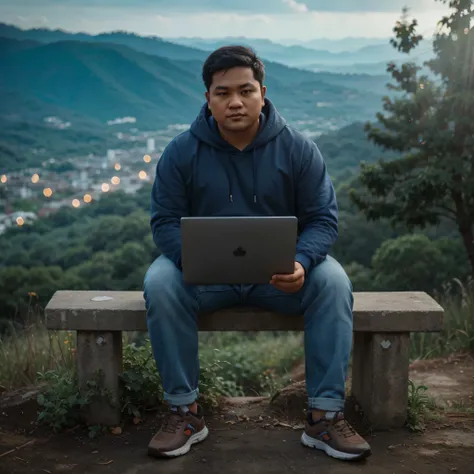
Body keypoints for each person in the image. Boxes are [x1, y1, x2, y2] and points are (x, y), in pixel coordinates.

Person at [143, 45, 371, 462]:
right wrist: (193, 261)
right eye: (223, 92)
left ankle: (324, 417)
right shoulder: (181, 152)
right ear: (208, 98)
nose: (235, 101)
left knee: (334, 281)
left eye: (245, 90)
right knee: (159, 281)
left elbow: (323, 219)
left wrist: (301, 261)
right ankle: (184, 411)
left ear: (262, 93)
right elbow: (164, 222)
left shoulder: (298, 149)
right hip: (204, 281)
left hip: (279, 281)